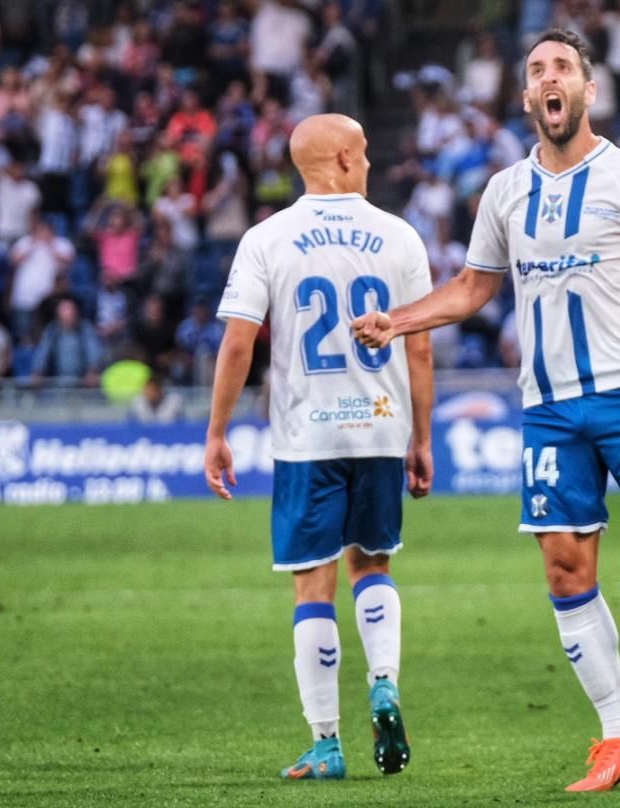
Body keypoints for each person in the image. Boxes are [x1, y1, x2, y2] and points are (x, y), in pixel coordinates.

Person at [353, 30, 620, 793]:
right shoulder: (505, 191)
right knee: (565, 566)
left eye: (563, 67)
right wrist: (398, 319)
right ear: (525, 96)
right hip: (546, 409)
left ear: (586, 89)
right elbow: (473, 288)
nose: (550, 78)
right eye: (537, 69)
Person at [203, 114, 434, 783]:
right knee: (373, 565)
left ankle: (328, 743)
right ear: (337, 159)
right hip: (383, 426)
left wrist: (217, 433)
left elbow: (240, 343)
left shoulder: (267, 238)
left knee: (313, 583)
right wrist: (421, 437)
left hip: (308, 437)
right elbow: (418, 344)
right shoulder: (399, 236)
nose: (367, 163)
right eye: (361, 153)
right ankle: (384, 682)